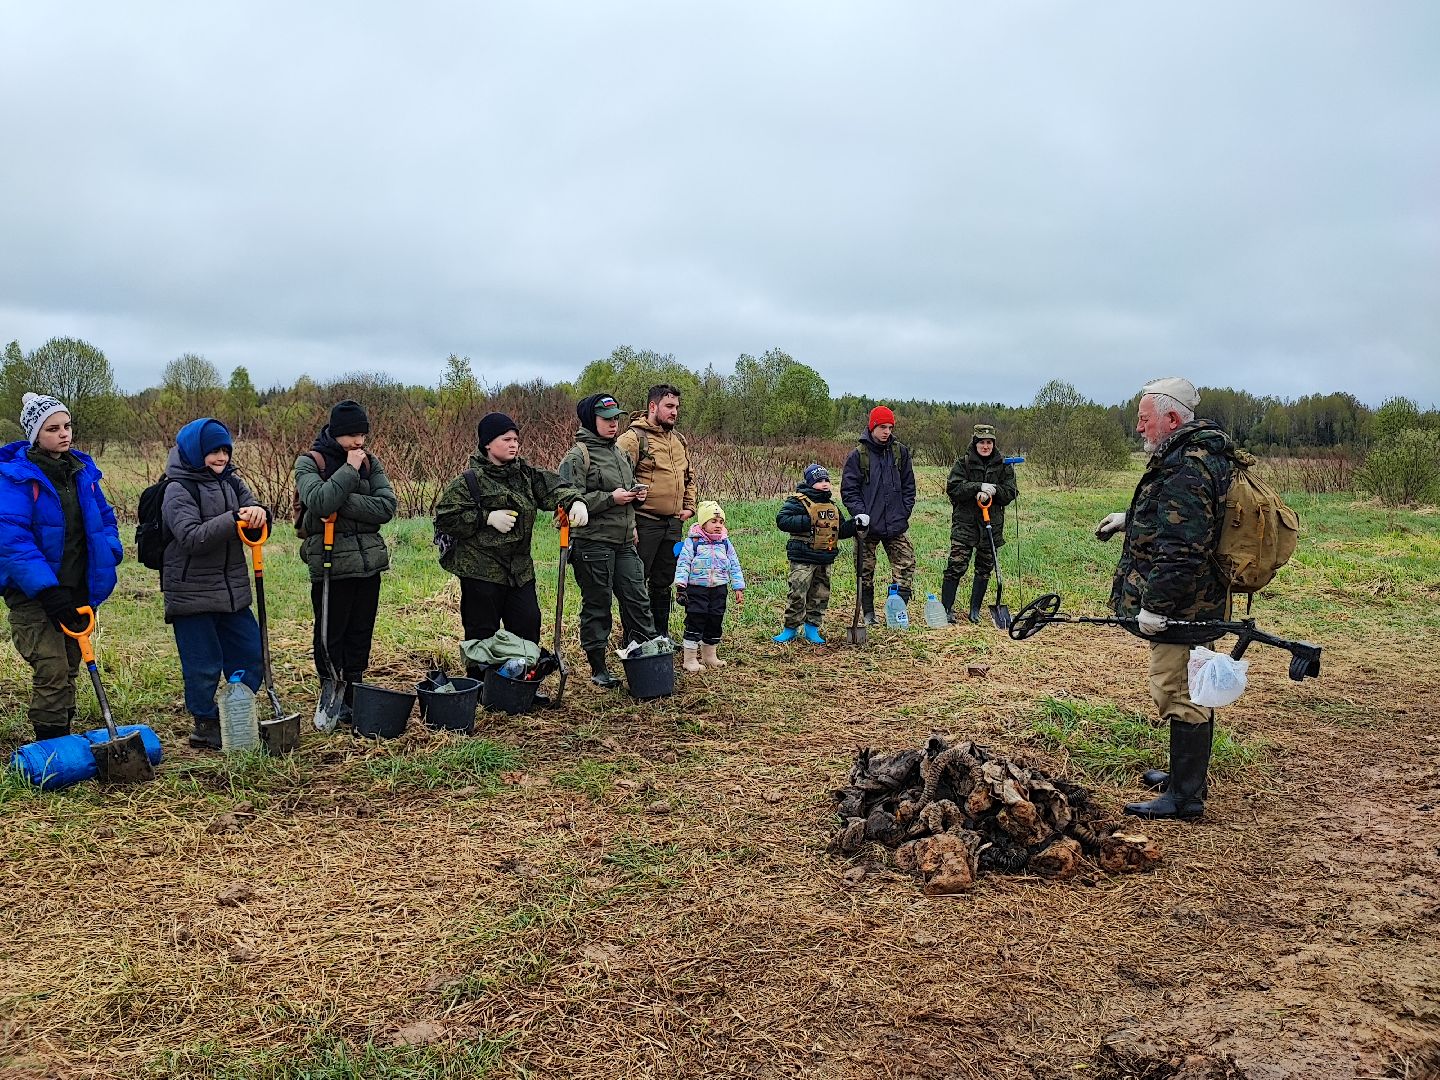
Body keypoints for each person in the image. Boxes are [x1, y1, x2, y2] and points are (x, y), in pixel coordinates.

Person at [1095, 377, 1235, 821]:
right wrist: (1131, 520)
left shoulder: (1186, 466)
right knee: (1191, 685)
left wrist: (1155, 606)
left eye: (1144, 419)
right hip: (1195, 601)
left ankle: (1185, 797)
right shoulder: (1190, 456)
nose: (1139, 429)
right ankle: (1181, 778)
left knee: (1178, 691)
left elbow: (1182, 548)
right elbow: (1179, 522)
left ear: (1171, 418)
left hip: (1182, 606)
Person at [0, 393, 123, 741]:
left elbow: (106, 518)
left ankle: (64, 732)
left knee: (71, 665)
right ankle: (50, 744)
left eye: (66, 426)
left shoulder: (82, 472)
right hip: (34, 596)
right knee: (51, 668)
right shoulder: (16, 479)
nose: (63, 434)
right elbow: (12, 541)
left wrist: (107, 552)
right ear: (35, 434)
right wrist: (48, 590)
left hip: (76, 589)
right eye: (52, 428)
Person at [433, 412, 588, 672]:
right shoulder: (469, 481)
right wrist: (486, 518)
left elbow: (554, 488)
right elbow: (445, 518)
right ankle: (482, 687)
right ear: (487, 444)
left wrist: (575, 501)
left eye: (516, 439)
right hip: (480, 570)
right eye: (506, 439)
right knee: (482, 632)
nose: (514, 444)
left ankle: (521, 683)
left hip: (519, 571)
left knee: (527, 624)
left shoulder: (525, 474)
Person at [160, 418, 268, 749]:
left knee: (251, 655)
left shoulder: (232, 483)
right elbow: (191, 537)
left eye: (225, 451)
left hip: (233, 593)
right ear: (194, 452)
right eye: (212, 452)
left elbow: (255, 515)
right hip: (191, 595)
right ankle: (205, 724)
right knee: (203, 665)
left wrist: (260, 515)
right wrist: (233, 519)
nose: (221, 458)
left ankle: (239, 710)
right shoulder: (177, 489)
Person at [294, 400, 397, 716]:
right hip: (331, 564)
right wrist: (349, 470)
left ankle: (355, 686)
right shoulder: (310, 463)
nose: (359, 442)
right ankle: (331, 688)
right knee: (330, 631)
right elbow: (321, 502)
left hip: (369, 563)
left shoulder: (372, 462)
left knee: (360, 630)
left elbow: (386, 507)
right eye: (352, 435)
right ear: (335, 433)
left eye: (363, 435)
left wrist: (340, 502)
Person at [558, 393, 657, 688]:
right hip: (592, 543)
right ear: (591, 420)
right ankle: (598, 667)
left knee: (638, 600)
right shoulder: (577, 456)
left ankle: (647, 659)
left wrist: (635, 497)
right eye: (607, 419)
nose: (613, 425)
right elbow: (567, 499)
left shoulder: (621, 453)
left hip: (625, 541)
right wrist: (609, 499)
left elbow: (624, 496)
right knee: (598, 605)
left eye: (616, 419)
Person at [617, 383, 696, 641]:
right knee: (636, 583)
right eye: (669, 407)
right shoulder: (632, 439)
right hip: (644, 523)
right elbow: (617, 481)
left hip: (672, 524)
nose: (674, 412)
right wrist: (631, 525)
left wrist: (689, 506)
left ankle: (660, 634)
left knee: (663, 582)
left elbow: (689, 477)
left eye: (677, 408)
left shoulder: (678, 440)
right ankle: (634, 636)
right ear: (653, 407)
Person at [841, 405, 915, 624]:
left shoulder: (900, 452)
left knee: (906, 564)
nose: (887, 431)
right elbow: (849, 490)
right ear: (872, 427)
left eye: (890, 427)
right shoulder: (858, 456)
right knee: (864, 570)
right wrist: (859, 514)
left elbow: (909, 487)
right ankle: (869, 614)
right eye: (882, 427)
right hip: (867, 526)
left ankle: (898, 612)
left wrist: (903, 513)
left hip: (895, 524)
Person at [942, 424, 1019, 624]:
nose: (986, 446)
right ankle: (946, 609)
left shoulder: (1003, 466)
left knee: (984, 568)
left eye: (989, 442)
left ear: (994, 444)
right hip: (965, 524)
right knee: (956, 566)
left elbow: (1010, 493)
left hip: (991, 526)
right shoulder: (963, 463)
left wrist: (995, 491)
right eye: (982, 442)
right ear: (975, 443)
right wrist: (976, 488)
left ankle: (974, 610)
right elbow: (953, 488)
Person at [774, 464, 858, 645]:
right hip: (803, 557)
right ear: (810, 483)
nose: (825, 483)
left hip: (824, 558)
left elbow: (840, 531)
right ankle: (790, 629)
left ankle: (812, 628)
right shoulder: (797, 501)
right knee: (798, 593)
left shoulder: (832, 506)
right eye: (820, 481)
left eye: (827, 480)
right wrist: (809, 520)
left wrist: (855, 524)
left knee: (820, 595)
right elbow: (783, 520)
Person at [673, 500, 744, 672]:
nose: (718, 526)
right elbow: (683, 563)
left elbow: (734, 564)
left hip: (719, 588)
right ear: (703, 523)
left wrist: (738, 586)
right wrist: (681, 586)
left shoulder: (725, 543)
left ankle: (709, 656)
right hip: (697, 588)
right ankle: (689, 659)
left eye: (721, 522)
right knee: (696, 618)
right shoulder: (693, 542)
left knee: (715, 619)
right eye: (713, 522)